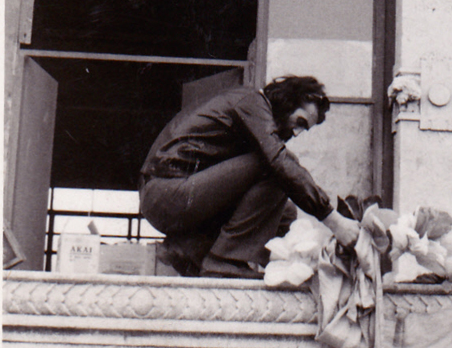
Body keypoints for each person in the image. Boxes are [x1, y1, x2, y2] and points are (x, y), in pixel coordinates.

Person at [139, 75, 361, 278]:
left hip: (177, 199)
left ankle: (190, 249)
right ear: (288, 101)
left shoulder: (251, 109)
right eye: (301, 122)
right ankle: (224, 261)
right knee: (278, 170)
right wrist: (334, 221)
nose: (296, 133)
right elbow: (279, 163)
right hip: (165, 196)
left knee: (285, 212)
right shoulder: (251, 101)